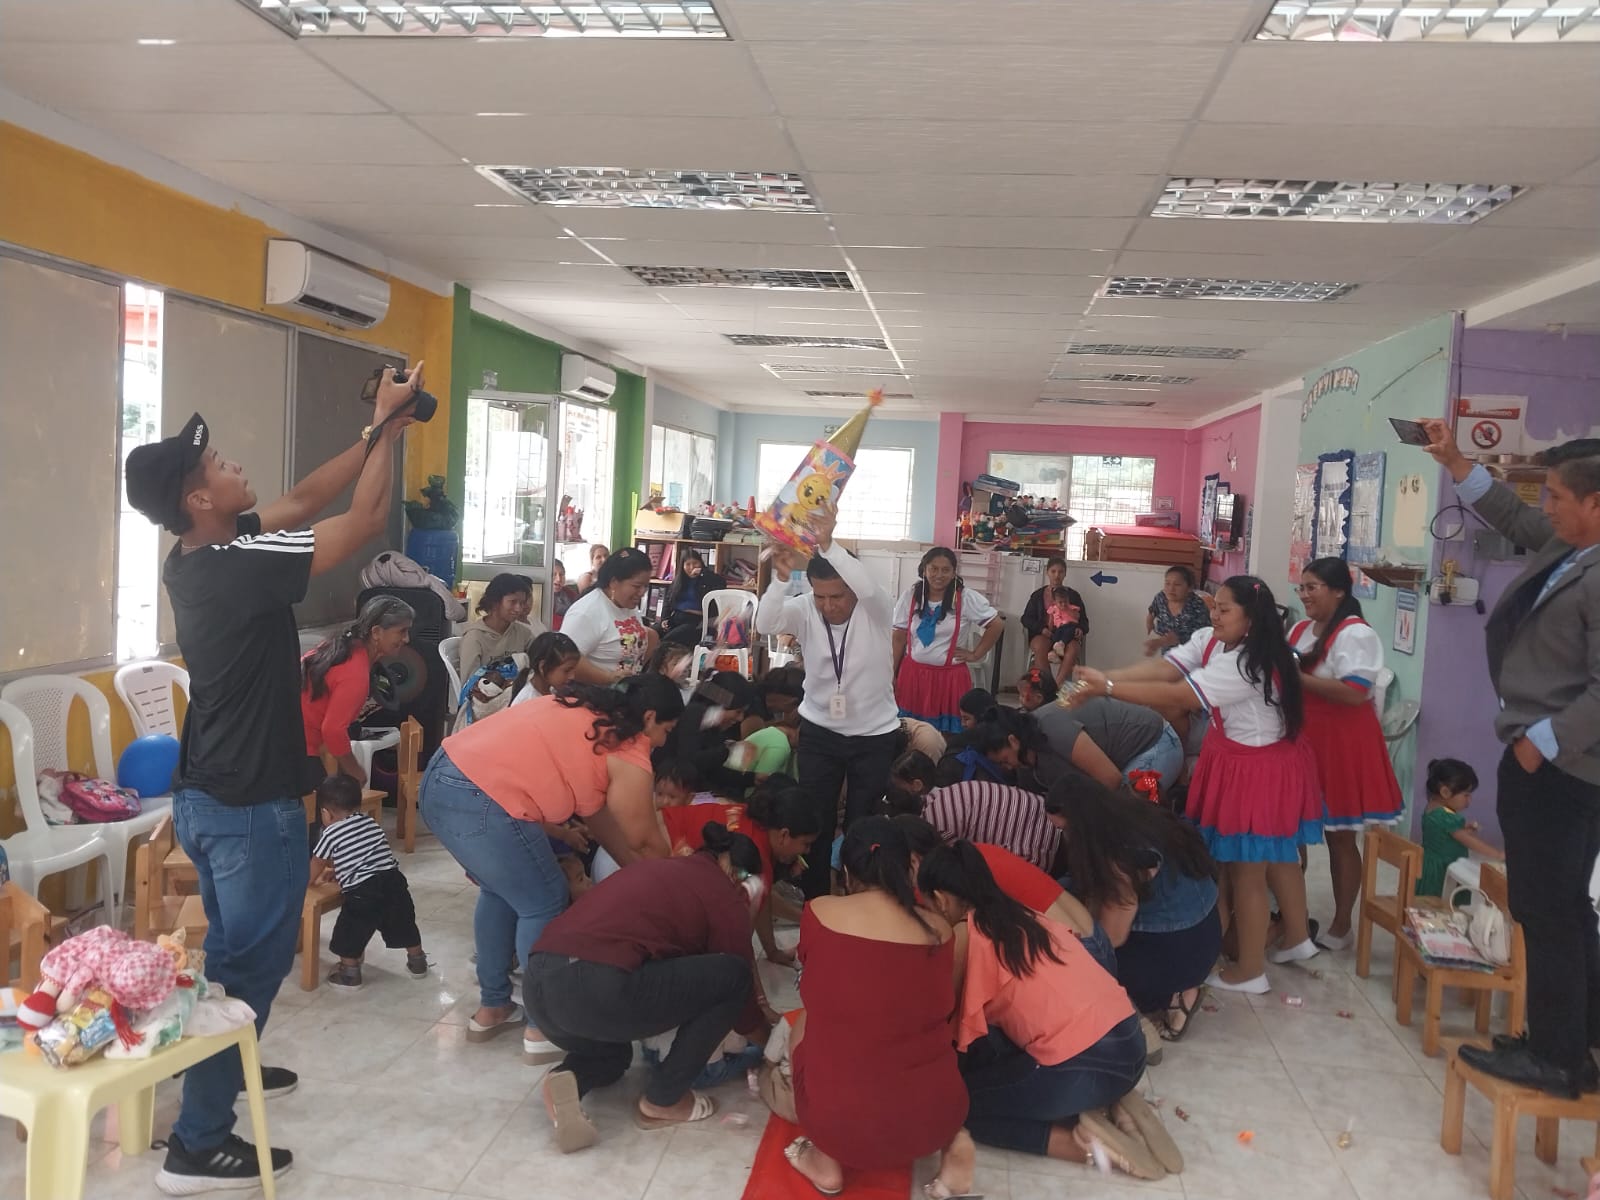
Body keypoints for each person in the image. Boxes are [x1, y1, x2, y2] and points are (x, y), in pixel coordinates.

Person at [123, 362, 423, 1191]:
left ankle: (224, 1066)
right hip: (251, 806)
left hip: (208, 798)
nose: (234, 464)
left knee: (230, 958)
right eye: (217, 464)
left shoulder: (200, 552)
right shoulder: (239, 565)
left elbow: (302, 497)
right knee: (251, 969)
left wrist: (377, 428)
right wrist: (392, 429)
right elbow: (363, 519)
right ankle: (197, 1144)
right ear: (199, 498)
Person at [1419, 422, 1600, 1097]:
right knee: (1561, 906)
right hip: (1548, 757)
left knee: (1547, 908)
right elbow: (1514, 518)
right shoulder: (1573, 546)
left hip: (1561, 764)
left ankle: (1557, 1060)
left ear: (1595, 503)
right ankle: (1575, 1040)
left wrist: (1538, 744)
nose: (1544, 507)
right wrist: (1456, 462)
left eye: (1556, 497)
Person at [1065, 576, 1322, 995]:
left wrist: (1107, 687)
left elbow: (1181, 696)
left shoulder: (1246, 664)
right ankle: (1296, 936)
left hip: (1255, 769)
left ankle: (1250, 970)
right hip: (1246, 759)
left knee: (1248, 870)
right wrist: (1105, 677)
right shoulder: (1216, 641)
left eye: (1225, 609)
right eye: (1214, 606)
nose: (1214, 615)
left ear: (1251, 619)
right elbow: (1166, 667)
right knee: (1274, 854)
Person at [419, 675, 682, 1065]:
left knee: (501, 892)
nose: (661, 742)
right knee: (544, 902)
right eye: (666, 730)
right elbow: (643, 839)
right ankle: (542, 1027)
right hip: (485, 799)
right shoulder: (629, 747)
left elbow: (599, 816)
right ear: (649, 717)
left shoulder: (581, 709)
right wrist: (674, 884)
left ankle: (493, 1007)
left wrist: (635, 870)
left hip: (440, 779)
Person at [917, 842, 1169, 1180]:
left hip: (1084, 1066)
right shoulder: (1026, 916)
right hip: (1130, 1044)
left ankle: (1080, 1145)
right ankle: (1110, 1103)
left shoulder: (966, 933)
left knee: (957, 1107)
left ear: (941, 899)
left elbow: (938, 1014)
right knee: (999, 1051)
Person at [526, 822, 771, 1152]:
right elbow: (741, 1001)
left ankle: (566, 1078)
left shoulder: (663, 870)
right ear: (735, 873)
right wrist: (772, 1045)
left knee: (614, 1056)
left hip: (540, 989)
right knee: (734, 977)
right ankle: (664, 1100)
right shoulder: (723, 893)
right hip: (595, 987)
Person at [786, 818, 975, 1198]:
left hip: (841, 1128)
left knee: (806, 1020)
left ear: (847, 872)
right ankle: (954, 1143)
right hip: (936, 1118)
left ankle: (826, 1161)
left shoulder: (820, 912)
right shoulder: (940, 930)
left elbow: (813, 976)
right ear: (910, 867)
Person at [755, 503, 901, 898]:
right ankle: (816, 898)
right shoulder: (805, 608)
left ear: (852, 588)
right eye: (820, 596)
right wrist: (780, 581)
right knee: (814, 819)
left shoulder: (876, 607)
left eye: (837, 596)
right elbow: (765, 623)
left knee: (862, 823)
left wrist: (828, 543)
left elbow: (867, 586)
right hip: (820, 731)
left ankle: (860, 897)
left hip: (874, 735)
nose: (828, 605)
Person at [1045, 775, 1220, 1041]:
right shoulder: (1132, 814)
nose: (1065, 837)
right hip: (1206, 932)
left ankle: (1175, 997)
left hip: (1183, 951)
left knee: (1085, 969)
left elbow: (1112, 937)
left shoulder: (1120, 854)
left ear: (1081, 823)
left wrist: (1068, 945)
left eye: (1065, 829)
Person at [1290, 557, 1404, 949]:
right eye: (1301, 587)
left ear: (1339, 590)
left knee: (1339, 837)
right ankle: (1291, 919)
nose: (1304, 595)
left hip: (1341, 743)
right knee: (1292, 832)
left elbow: (1355, 692)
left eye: (1312, 587)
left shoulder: (1355, 633)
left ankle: (1342, 926)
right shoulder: (1301, 629)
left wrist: (1297, 680)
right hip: (1303, 739)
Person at [309, 774, 427, 991]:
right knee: (403, 922)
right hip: (393, 881)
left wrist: (307, 882)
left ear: (326, 813)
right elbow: (366, 856)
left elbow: (318, 861)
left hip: (363, 892)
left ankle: (349, 974)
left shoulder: (330, 832)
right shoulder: (370, 822)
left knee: (351, 930)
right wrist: (339, 871)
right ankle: (418, 961)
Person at [301, 595, 413, 785]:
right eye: (401, 631)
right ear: (376, 632)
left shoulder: (340, 647)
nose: (407, 639)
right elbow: (333, 730)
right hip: (297, 750)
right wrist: (356, 772)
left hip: (286, 740)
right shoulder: (355, 673)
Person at [892, 546, 1004, 733]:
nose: (939, 575)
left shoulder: (965, 598)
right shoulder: (911, 596)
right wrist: (891, 672)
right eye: (933, 569)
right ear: (924, 570)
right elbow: (898, 637)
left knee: (948, 734)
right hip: (912, 676)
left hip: (950, 679)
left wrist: (976, 654)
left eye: (945, 570)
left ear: (953, 573)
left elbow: (996, 624)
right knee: (910, 731)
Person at [978, 702, 1183, 798]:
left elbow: (1111, 779)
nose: (1006, 767)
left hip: (1156, 743)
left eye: (1004, 760)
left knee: (1128, 815)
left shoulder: (1052, 727)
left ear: (1013, 741)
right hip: (1119, 763)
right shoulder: (1026, 764)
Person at [921, 776, 1062, 871]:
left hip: (1042, 848)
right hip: (1052, 817)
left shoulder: (934, 823)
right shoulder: (938, 796)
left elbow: (961, 872)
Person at [656, 671, 762, 796]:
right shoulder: (693, 714)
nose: (740, 718)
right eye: (738, 712)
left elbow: (714, 771)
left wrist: (752, 778)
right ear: (720, 706)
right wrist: (728, 750)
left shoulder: (717, 728)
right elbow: (689, 762)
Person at [563, 546, 658, 685]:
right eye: (637, 586)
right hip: (592, 694)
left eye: (646, 586)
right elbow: (565, 659)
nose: (642, 592)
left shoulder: (627, 604)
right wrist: (608, 678)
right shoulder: (585, 612)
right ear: (614, 582)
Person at [1418, 758, 1501, 897]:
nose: (1469, 800)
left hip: (1428, 865)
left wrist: (1464, 830)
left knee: (1428, 899)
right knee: (1444, 900)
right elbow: (1469, 841)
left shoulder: (1432, 808)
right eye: (1466, 795)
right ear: (1445, 792)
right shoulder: (1448, 818)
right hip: (1443, 869)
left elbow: (1443, 833)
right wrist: (1497, 854)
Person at [459, 573, 544, 680]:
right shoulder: (474, 637)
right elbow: (469, 684)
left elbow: (541, 662)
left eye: (522, 603)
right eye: (513, 602)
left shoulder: (523, 633)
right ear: (495, 602)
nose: (518, 609)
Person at [1021, 556, 1089, 683]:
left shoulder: (1073, 596)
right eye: (1053, 571)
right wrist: (1041, 629)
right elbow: (1026, 619)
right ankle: (1046, 684)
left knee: (1073, 648)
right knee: (1040, 646)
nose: (1057, 575)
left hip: (1067, 636)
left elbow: (1084, 621)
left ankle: (1058, 685)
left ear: (1065, 574)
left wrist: (1080, 629)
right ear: (1047, 572)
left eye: (1060, 572)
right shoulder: (1038, 595)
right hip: (1044, 634)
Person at [657, 549, 727, 646]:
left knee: (667, 640)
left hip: (697, 621)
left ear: (701, 563)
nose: (692, 567)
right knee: (653, 633)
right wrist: (664, 619)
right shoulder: (679, 580)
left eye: (695, 563)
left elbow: (722, 583)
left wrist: (703, 572)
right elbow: (668, 602)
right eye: (688, 564)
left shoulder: (707, 579)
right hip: (676, 617)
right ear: (683, 566)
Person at [1144, 565, 1213, 656]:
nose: (1171, 589)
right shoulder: (1161, 597)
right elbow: (1153, 609)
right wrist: (1149, 620)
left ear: (1189, 588)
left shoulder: (1197, 606)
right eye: (1167, 583)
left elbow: (1203, 635)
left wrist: (1160, 642)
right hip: (1167, 649)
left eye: (1177, 585)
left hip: (1192, 652)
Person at [509, 631, 581, 707]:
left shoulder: (553, 689)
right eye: (567, 671)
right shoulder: (527, 703)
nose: (572, 676)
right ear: (542, 667)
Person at [551, 558, 581, 632]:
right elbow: (550, 620)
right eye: (554, 574)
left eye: (561, 575)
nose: (558, 579)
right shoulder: (544, 595)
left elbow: (580, 608)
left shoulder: (569, 592)